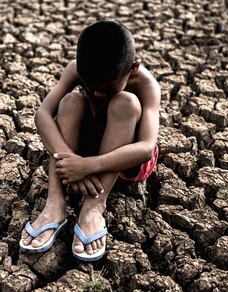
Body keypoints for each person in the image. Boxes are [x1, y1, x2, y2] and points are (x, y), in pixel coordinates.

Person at [19, 20, 160, 262]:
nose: (97, 94)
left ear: (133, 68)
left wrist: (88, 167)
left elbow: (146, 148)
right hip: (81, 156)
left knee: (125, 103)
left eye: (107, 89)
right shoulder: (75, 69)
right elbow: (42, 115)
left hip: (126, 160)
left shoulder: (146, 84)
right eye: (89, 86)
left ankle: (93, 207)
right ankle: (55, 203)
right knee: (70, 102)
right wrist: (70, 160)